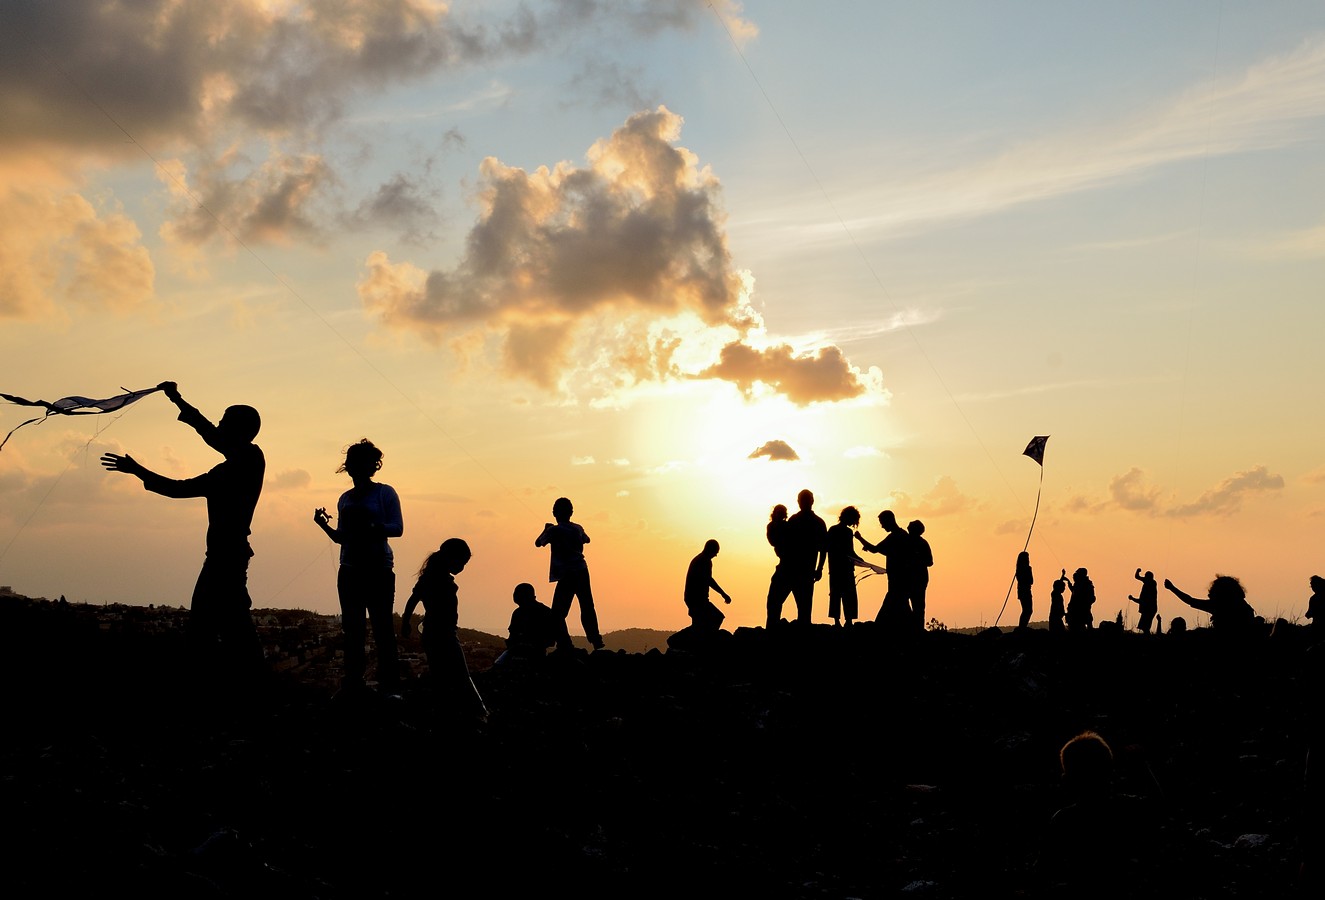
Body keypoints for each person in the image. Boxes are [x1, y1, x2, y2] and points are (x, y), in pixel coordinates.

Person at [100, 381, 264, 687]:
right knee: (230, 626)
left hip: (223, 561)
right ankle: (243, 685)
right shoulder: (252, 460)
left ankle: (224, 686)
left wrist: (139, 471)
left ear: (238, 432)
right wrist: (177, 400)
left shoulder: (230, 471)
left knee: (213, 626)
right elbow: (211, 434)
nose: (217, 427)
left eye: (224, 422)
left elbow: (178, 488)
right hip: (227, 558)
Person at [313, 439, 402, 696]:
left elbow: (397, 528)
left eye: (360, 462)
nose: (355, 467)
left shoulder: (385, 493)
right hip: (350, 568)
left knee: (382, 627)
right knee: (352, 629)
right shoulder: (344, 499)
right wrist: (323, 525)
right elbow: (341, 537)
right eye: (352, 462)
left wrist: (371, 528)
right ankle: (353, 683)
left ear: (372, 466)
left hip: (378, 569)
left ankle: (390, 687)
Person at [400, 538, 486, 720]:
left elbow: (412, 599)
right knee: (460, 674)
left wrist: (406, 622)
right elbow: (413, 600)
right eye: (461, 562)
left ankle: (448, 711)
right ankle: (478, 712)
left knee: (443, 674)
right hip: (442, 633)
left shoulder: (431, 578)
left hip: (437, 632)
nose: (462, 567)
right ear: (451, 558)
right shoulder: (436, 579)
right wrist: (405, 622)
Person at [535, 497, 603, 650]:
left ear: (555, 513)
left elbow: (538, 543)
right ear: (571, 512)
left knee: (558, 612)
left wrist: (545, 529)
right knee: (587, 606)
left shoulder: (553, 530)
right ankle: (596, 640)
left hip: (567, 574)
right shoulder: (578, 528)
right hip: (582, 570)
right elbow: (587, 540)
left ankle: (562, 644)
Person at [768, 490, 827, 626]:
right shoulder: (814, 522)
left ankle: (772, 634)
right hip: (796, 571)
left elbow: (824, 548)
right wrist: (819, 569)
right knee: (799, 610)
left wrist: (819, 569)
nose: (803, 503)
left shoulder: (797, 521)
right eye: (802, 500)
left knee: (777, 604)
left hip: (795, 571)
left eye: (804, 500)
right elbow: (823, 549)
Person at [857, 510, 912, 628]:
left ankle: (880, 626)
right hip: (901, 577)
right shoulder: (903, 535)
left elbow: (875, 549)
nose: (882, 526)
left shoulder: (895, 536)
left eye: (882, 523)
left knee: (893, 601)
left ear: (889, 521)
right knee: (902, 603)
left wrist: (859, 538)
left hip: (897, 577)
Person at [495, 583, 565, 666]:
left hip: (535, 653)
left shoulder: (543, 612)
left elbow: (550, 639)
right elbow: (512, 635)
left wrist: (530, 644)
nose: (514, 596)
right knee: (499, 664)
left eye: (517, 593)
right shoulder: (517, 613)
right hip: (516, 651)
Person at [1163, 575, 1256, 633]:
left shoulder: (1219, 605)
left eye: (1213, 591)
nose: (1209, 594)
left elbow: (1191, 601)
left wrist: (1172, 588)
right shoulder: (1244, 606)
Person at [825, 507, 867, 627]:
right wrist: (860, 560)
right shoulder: (847, 532)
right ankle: (848, 621)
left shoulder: (833, 530)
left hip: (834, 568)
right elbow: (850, 551)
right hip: (845, 569)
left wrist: (859, 560)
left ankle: (837, 621)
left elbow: (829, 548)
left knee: (835, 594)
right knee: (848, 595)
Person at [684, 539, 732, 632]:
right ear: (711, 549)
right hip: (696, 600)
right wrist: (723, 594)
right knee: (717, 617)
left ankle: (702, 641)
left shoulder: (701, 559)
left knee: (699, 625)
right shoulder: (703, 561)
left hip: (696, 599)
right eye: (715, 552)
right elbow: (709, 580)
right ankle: (707, 641)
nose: (716, 555)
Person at [764, 504, 791, 629]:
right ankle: (772, 626)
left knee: (774, 601)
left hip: (787, 566)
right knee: (773, 602)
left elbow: (774, 541)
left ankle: (772, 627)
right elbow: (773, 541)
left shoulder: (785, 526)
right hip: (785, 565)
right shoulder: (774, 526)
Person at [908, 520, 933, 632]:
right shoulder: (908, 541)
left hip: (918, 577)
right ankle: (914, 627)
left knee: (918, 604)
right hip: (912, 577)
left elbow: (930, 562)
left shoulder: (922, 544)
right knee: (913, 604)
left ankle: (918, 628)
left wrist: (917, 559)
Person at [1129, 569, 1159, 635]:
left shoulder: (1151, 585)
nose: (1144, 578)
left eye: (1145, 576)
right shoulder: (1149, 582)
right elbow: (1137, 577)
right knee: (1144, 627)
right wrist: (1137, 571)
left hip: (1149, 609)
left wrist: (1132, 598)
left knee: (1145, 627)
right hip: (1149, 609)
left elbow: (1142, 601)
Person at [1065, 567, 1095, 631]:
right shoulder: (1079, 584)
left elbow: (1091, 598)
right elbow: (1075, 592)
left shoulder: (1086, 585)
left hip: (1081, 611)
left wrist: (1084, 604)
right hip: (1077, 611)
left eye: (1078, 573)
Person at [1015, 551, 1034, 631]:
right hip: (1026, 591)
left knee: (1026, 610)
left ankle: (1022, 627)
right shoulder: (1027, 568)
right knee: (1028, 610)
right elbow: (1031, 581)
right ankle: (1022, 627)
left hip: (1021, 591)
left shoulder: (1018, 569)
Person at [1048, 569, 1067, 634]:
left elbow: (1059, 583)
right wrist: (1062, 576)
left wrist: (1062, 576)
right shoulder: (1055, 594)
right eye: (1063, 587)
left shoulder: (1056, 594)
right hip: (1055, 618)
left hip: (1057, 617)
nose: (1064, 589)